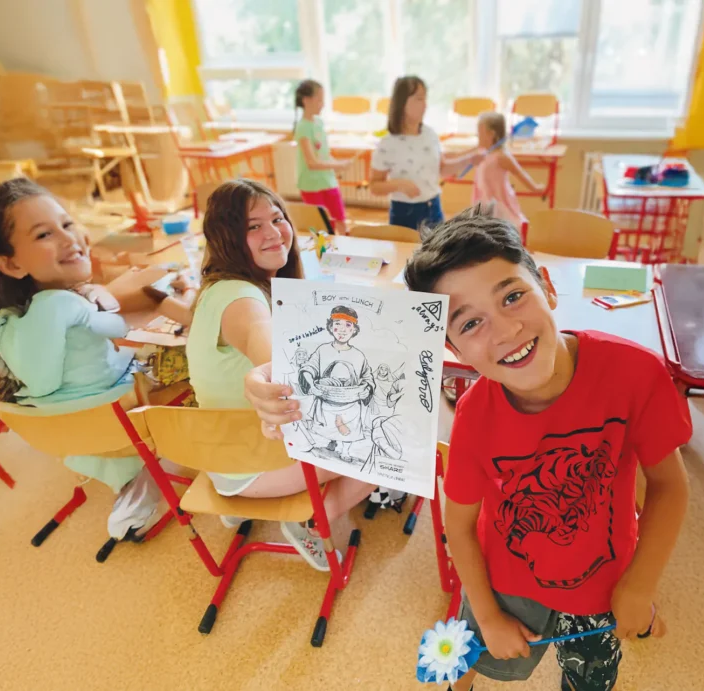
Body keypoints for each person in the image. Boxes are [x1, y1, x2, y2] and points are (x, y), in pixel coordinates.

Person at [242, 205, 692, 691]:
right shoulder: (475, 415)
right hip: (506, 581)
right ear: (452, 348)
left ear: (548, 288)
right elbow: (458, 524)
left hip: (605, 581)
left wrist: (641, 584)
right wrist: (487, 614)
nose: (505, 330)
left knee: (589, 680)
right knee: (469, 659)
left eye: (513, 297)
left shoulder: (636, 374)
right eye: (470, 323)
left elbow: (669, 485)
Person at [0, 178, 177, 543]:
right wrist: (97, 304)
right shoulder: (64, 303)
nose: (69, 239)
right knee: (189, 357)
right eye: (44, 234)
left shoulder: (4, 321)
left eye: (66, 224)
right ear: (11, 264)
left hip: (71, 432)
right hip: (120, 418)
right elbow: (119, 326)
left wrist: (89, 295)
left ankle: (133, 485)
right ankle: (231, 476)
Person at [184, 179, 375, 571]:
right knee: (387, 443)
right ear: (227, 238)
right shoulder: (242, 299)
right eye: (253, 226)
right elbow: (267, 347)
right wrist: (274, 372)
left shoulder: (220, 288)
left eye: (277, 218)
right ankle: (311, 521)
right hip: (246, 466)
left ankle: (247, 506)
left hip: (219, 451)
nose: (273, 232)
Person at [368, 75, 482, 231]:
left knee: (438, 248)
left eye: (425, 99)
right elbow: (374, 186)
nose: (425, 105)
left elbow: (442, 169)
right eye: (419, 99)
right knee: (406, 248)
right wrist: (399, 184)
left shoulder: (430, 135)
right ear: (402, 103)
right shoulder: (388, 143)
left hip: (433, 208)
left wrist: (469, 159)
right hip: (404, 213)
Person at [299, 305, 375, 461]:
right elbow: (308, 368)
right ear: (330, 327)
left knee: (350, 425)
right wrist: (312, 386)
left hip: (350, 401)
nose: (342, 329)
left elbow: (368, 378)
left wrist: (366, 390)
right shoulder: (322, 350)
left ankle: (345, 451)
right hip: (327, 397)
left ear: (354, 330)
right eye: (337, 324)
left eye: (348, 325)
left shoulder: (359, 355)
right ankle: (332, 441)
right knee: (328, 424)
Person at [292, 79, 354, 236]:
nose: (323, 104)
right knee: (322, 228)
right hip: (311, 185)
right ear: (306, 100)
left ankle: (347, 247)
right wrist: (338, 165)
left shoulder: (319, 123)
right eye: (319, 99)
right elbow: (311, 163)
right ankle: (328, 251)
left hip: (328, 181)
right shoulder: (303, 127)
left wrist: (337, 163)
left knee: (340, 220)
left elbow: (323, 154)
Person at [472, 111, 546, 231]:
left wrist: (535, 188)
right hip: (484, 199)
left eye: (480, 133)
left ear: (491, 134)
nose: (477, 136)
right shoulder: (483, 153)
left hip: (499, 201)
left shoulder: (501, 156)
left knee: (503, 227)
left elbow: (519, 173)